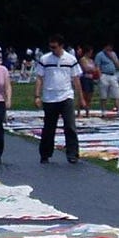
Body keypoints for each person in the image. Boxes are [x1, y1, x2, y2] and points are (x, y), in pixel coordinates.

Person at [34, 35, 82, 164]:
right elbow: (39, 77)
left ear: (61, 46)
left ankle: (72, 154)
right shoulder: (45, 59)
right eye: (50, 47)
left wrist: (80, 98)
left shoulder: (71, 59)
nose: (52, 49)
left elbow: (76, 79)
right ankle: (45, 153)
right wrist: (37, 96)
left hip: (66, 96)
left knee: (70, 126)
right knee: (49, 128)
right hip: (49, 97)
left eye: (54, 47)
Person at [94, 42, 119, 115]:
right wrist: (100, 76)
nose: (110, 49)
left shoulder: (113, 54)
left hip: (113, 75)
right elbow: (97, 66)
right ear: (105, 47)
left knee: (116, 94)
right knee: (104, 95)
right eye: (109, 47)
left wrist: (113, 58)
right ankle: (103, 111)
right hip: (104, 75)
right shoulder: (99, 55)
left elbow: (118, 65)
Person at [75, 45, 96, 119]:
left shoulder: (91, 60)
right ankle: (78, 112)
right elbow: (85, 69)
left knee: (90, 96)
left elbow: (95, 69)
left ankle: (87, 112)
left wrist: (93, 70)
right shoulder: (82, 59)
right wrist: (92, 70)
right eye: (90, 52)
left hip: (91, 79)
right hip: (84, 79)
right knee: (83, 95)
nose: (91, 54)